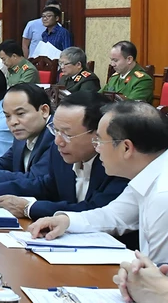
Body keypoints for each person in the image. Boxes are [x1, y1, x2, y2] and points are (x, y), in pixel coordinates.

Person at [28, 101, 168, 263]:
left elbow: (159, 274)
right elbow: (115, 215)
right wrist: (67, 220)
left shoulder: (162, 195)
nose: (97, 148)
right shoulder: (148, 173)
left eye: (100, 141)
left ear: (126, 148)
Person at [0, 90, 128, 220]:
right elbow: (46, 185)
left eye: (67, 133)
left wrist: (29, 208)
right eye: (56, 130)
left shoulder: (117, 163)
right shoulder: (58, 150)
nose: (58, 141)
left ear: (99, 134)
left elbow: (95, 211)